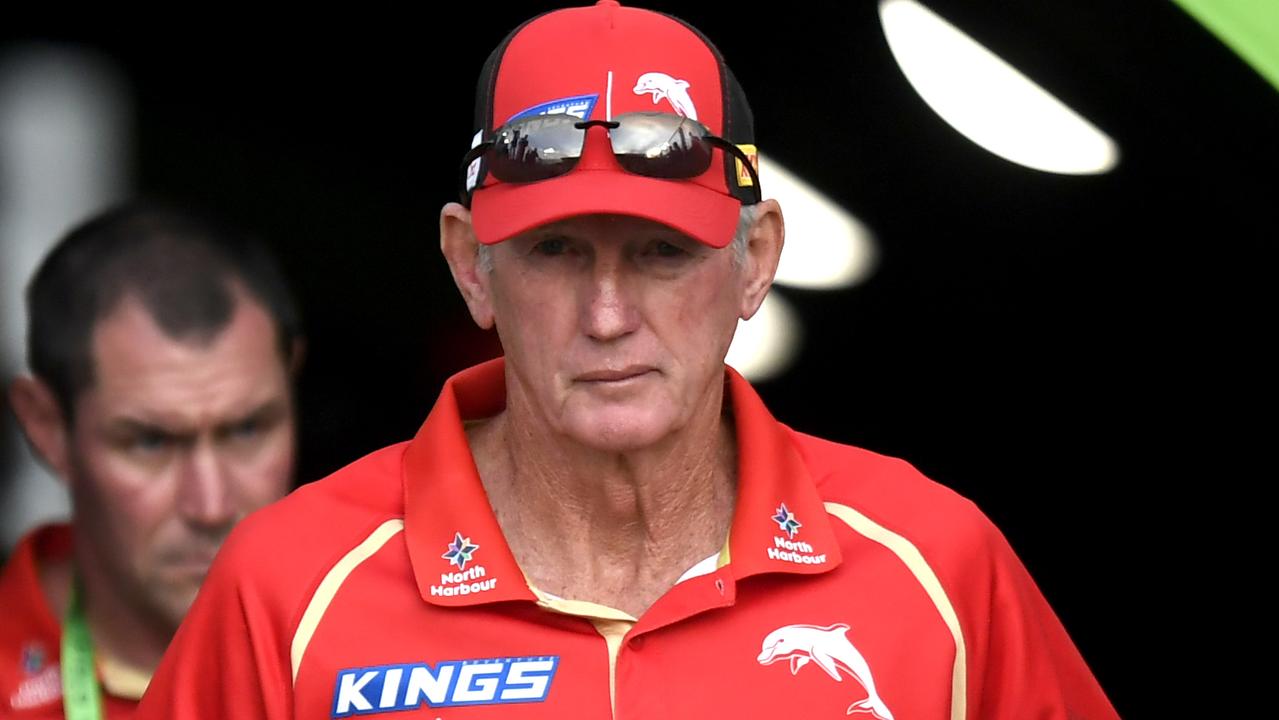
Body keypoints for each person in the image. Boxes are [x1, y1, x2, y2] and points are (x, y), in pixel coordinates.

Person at [136, 2, 1119, 718]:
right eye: (556, 252)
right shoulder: (287, 589)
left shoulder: (937, 570)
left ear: (755, 261)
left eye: (661, 253)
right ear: (471, 268)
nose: (607, 315)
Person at [0, 203, 302, 718]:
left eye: (248, 429)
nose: (210, 505)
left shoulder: (389, 657)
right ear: (48, 429)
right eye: (150, 443)